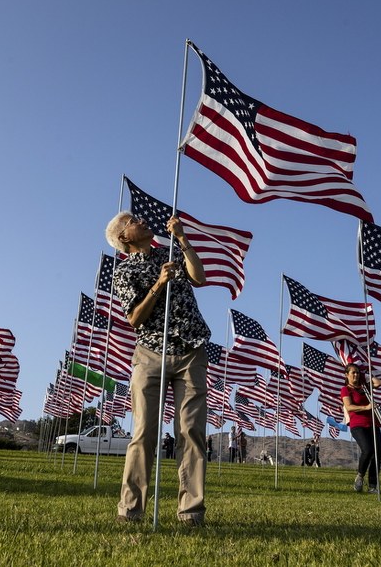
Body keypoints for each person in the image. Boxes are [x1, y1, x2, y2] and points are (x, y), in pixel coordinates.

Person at [106, 211, 210, 526]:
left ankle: (191, 511)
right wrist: (159, 283)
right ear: (124, 237)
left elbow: (199, 278)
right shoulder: (124, 271)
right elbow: (135, 318)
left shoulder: (171, 253)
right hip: (151, 354)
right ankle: (131, 510)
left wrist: (182, 238)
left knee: (191, 432)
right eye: (132, 221)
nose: (141, 221)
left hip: (190, 350)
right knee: (144, 433)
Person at [341, 363, 381, 493]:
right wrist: (366, 407)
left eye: (357, 372)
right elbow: (349, 406)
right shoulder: (346, 389)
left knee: (377, 454)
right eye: (353, 372)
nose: (356, 375)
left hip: (373, 423)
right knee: (368, 449)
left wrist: (364, 375)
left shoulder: (365, 387)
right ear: (346, 375)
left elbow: (379, 382)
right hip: (358, 425)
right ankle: (360, 476)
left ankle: (373, 486)